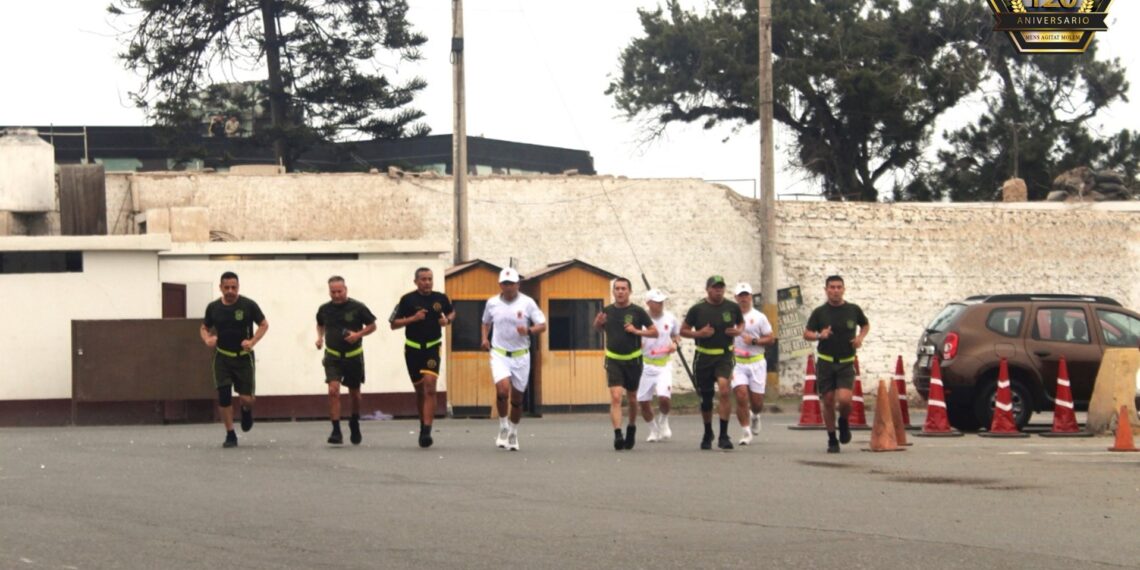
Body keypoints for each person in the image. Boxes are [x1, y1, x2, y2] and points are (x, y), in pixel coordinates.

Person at [480, 267, 547, 451]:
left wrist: (529, 331)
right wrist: (485, 339)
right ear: (500, 284)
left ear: (518, 284)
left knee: (517, 399)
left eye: (512, 283)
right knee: (502, 390)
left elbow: (542, 325)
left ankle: (513, 432)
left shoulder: (528, 303)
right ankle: (503, 425)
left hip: (520, 355)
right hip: (500, 353)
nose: (509, 287)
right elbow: (485, 322)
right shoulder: (492, 303)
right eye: (505, 284)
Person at [200, 271, 268, 448]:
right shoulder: (213, 307)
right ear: (220, 288)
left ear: (238, 287)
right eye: (227, 287)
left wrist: (252, 341)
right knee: (224, 395)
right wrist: (208, 339)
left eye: (234, 287)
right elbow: (204, 327)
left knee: (247, 399)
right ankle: (230, 433)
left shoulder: (248, 305)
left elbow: (264, 324)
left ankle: (246, 410)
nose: (230, 291)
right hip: (222, 357)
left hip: (243, 358)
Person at [390, 267, 455, 448]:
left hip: (433, 347)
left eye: (430, 279)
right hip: (412, 349)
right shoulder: (407, 299)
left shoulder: (440, 298)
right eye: (423, 279)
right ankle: (422, 424)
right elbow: (393, 324)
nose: (427, 282)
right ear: (416, 281)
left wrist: (447, 320)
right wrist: (413, 318)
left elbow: (451, 312)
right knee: (420, 391)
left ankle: (427, 430)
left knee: (430, 385)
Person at [804, 275, 869, 453]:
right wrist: (819, 335)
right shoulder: (820, 312)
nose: (835, 291)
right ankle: (832, 438)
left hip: (846, 363)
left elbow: (865, 325)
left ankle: (844, 421)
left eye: (839, 287)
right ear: (826, 290)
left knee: (845, 400)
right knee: (829, 401)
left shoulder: (853, 310)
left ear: (844, 289)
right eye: (831, 287)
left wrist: (860, 338)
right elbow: (807, 333)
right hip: (825, 363)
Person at [681, 275, 744, 450]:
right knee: (706, 398)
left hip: (724, 356)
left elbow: (741, 323)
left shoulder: (732, 307)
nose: (719, 290)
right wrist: (699, 334)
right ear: (708, 289)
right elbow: (683, 330)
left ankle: (724, 435)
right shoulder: (698, 309)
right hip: (703, 357)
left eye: (721, 287)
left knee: (724, 390)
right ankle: (708, 431)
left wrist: (738, 331)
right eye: (715, 287)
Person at [593, 278, 657, 451]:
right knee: (615, 397)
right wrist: (598, 323)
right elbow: (597, 329)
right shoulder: (606, 310)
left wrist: (636, 331)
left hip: (634, 360)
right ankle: (617, 434)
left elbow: (654, 332)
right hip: (614, 359)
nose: (620, 292)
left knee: (632, 398)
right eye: (617, 289)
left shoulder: (637, 311)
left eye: (623, 289)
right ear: (613, 292)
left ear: (629, 291)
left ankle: (631, 427)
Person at [316, 276, 377, 446]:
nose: (336, 295)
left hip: (353, 356)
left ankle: (354, 420)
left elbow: (372, 326)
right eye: (332, 292)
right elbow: (320, 324)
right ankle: (336, 430)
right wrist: (319, 338)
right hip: (333, 355)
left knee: (355, 394)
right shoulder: (324, 309)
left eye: (339, 291)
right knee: (333, 390)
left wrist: (358, 335)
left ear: (346, 289)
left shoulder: (358, 307)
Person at [731, 283, 775, 446]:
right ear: (736, 298)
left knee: (757, 402)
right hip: (737, 362)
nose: (743, 298)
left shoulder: (759, 317)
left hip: (756, 362)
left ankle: (755, 415)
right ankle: (745, 431)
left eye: (746, 295)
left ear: (751, 297)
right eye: (740, 296)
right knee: (741, 395)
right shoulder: (730, 317)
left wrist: (754, 341)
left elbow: (770, 338)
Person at [639, 288, 680, 442]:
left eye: (662, 301)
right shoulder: (641, 319)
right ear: (648, 303)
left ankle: (664, 419)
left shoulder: (670, 318)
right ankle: (653, 430)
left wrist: (675, 344)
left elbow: (676, 335)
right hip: (645, 364)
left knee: (664, 397)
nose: (660, 304)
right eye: (656, 302)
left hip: (664, 364)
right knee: (643, 402)